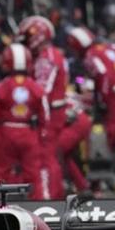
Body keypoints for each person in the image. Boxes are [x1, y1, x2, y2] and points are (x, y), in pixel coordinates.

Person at [66, 25, 115, 194]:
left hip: (114, 99)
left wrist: (103, 100)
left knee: (103, 142)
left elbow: (102, 74)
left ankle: (96, 184)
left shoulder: (91, 56)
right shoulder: (107, 47)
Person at [0, 44, 49, 199]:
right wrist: (41, 133)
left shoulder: (0, 87)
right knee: (33, 173)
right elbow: (45, 114)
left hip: (6, 132)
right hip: (28, 133)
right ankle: (38, 206)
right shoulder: (36, 87)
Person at [18, 15, 73, 199]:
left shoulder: (45, 58)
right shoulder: (52, 54)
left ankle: (47, 199)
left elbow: (42, 90)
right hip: (54, 110)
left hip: (50, 112)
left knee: (44, 158)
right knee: (50, 157)